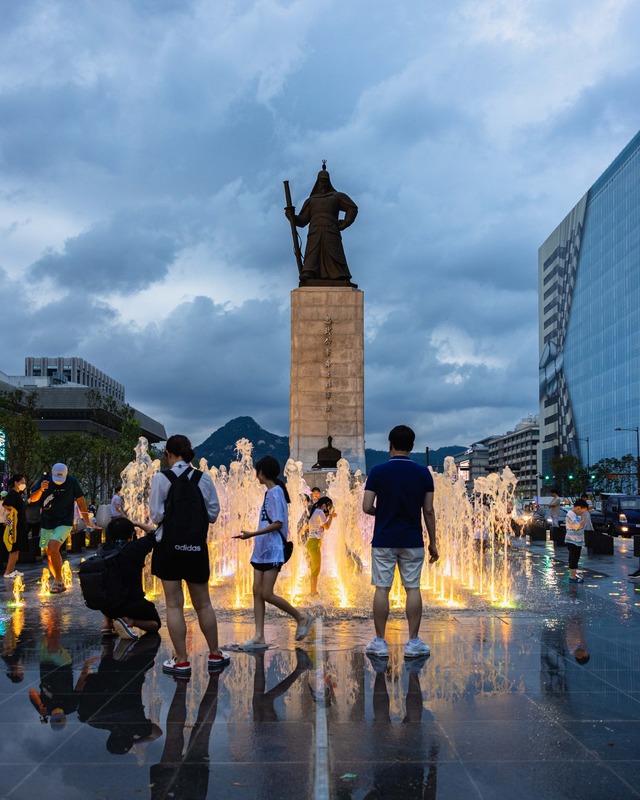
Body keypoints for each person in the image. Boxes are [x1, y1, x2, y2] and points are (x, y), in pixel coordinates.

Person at [149, 434, 229, 678]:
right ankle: (215, 653)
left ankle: (182, 660)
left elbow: (155, 516)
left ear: (168, 454)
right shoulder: (203, 478)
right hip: (196, 548)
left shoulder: (161, 478)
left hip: (168, 548)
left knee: (174, 604)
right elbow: (214, 514)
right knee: (203, 603)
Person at [362, 425, 438, 660]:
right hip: (413, 539)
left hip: (384, 539)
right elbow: (428, 510)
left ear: (390, 444)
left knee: (382, 588)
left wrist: (383, 512)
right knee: (412, 588)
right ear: (412, 446)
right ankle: (413, 642)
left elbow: (366, 507)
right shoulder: (423, 474)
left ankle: (380, 642)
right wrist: (433, 542)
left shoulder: (378, 471)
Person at [236, 455, 313, 650]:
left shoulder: (276, 492)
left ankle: (301, 617)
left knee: (266, 593)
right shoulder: (270, 492)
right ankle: (259, 635)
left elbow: (278, 523)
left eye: (257, 472)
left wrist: (252, 533)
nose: (256, 475)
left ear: (262, 472)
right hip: (262, 549)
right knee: (256, 592)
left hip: (273, 549)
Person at [29, 463, 96, 593]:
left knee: (53, 546)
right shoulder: (44, 480)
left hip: (64, 521)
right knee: (49, 552)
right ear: (51, 474)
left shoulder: (72, 481)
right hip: (47, 521)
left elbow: (81, 501)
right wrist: (41, 490)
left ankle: (58, 581)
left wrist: (87, 521)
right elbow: (32, 499)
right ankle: (57, 579)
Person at [285, 163, 358, 283]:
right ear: (317, 183)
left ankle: (339, 274)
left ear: (329, 182)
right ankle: (309, 272)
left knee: (334, 253)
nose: (323, 184)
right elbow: (303, 220)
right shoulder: (311, 201)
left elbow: (352, 208)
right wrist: (292, 217)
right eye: (321, 181)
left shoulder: (336, 196)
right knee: (313, 253)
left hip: (331, 230)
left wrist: (346, 222)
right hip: (315, 230)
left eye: (325, 181)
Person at [99, 517, 161, 641]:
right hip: (133, 604)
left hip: (106, 606)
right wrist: (137, 522)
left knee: (108, 589)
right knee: (155, 625)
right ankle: (130, 621)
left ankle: (107, 624)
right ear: (132, 532)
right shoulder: (136, 547)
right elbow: (157, 533)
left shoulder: (102, 550)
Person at [306, 495, 335, 596]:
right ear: (324, 505)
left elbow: (321, 523)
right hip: (314, 543)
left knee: (314, 568)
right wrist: (330, 516)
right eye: (328, 507)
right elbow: (326, 526)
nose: (328, 509)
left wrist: (329, 516)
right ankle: (313, 592)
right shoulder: (320, 512)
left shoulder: (315, 511)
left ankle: (313, 591)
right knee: (316, 569)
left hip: (312, 542)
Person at [2, 474, 29, 578]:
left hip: (20, 525)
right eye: (22, 482)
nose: (24, 484)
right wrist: (13, 512)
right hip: (15, 526)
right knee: (14, 549)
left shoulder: (18, 494)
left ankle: (12, 570)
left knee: (17, 549)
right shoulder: (12, 493)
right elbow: (5, 504)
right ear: (16, 483)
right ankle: (8, 572)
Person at [565, 499, 588, 583]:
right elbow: (576, 526)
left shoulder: (574, 514)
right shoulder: (571, 514)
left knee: (575, 557)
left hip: (575, 540)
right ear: (578, 508)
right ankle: (572, 576)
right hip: (572, 540)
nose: (582, 513)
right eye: (583, 511)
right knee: (574, 557)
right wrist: (583, 521)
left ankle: (573, 575)